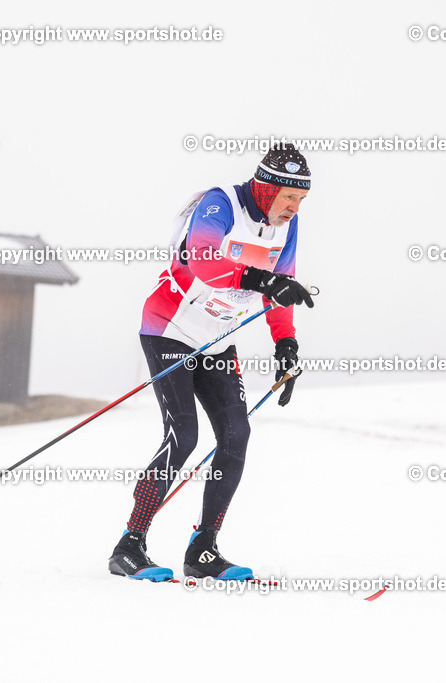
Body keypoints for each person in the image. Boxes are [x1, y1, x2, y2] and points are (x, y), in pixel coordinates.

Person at [108, 143, 315, 582]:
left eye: (301, 200)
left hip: (217, 342)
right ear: (266, 188)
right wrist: (263, 280)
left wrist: (286, 345)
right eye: (289, 198)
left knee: (236, 434)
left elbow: (283, 287)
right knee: (183, 436)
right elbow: (203, 260)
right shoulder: (220, 203)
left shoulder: (286, 228)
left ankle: (203, 549)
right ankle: (130, 545)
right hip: (169, 328)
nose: (295, 208)